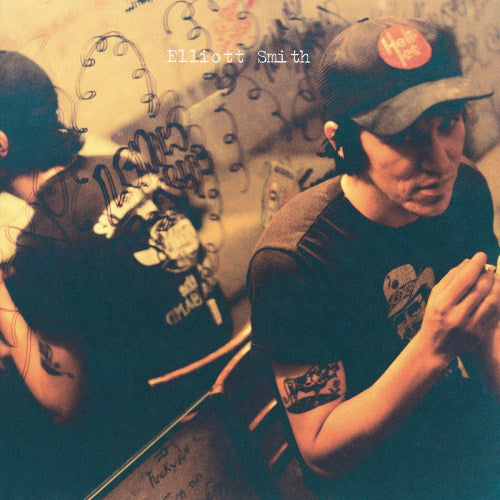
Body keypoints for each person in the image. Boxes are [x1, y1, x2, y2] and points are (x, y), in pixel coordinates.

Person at [247, 17, 500, 498]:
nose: (440, 160)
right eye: (404, 136)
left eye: (448, 123)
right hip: (378, 478)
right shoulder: (295, 262)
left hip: (463, 432)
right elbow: (321, 453)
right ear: (340, 140)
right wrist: (432, 347)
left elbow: (488, 332)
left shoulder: (464, 190)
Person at [0, 51, 231, 497]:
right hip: (227, 385)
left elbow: (63, 405)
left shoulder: (42, 243)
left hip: (169, 441)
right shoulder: (119, 165)